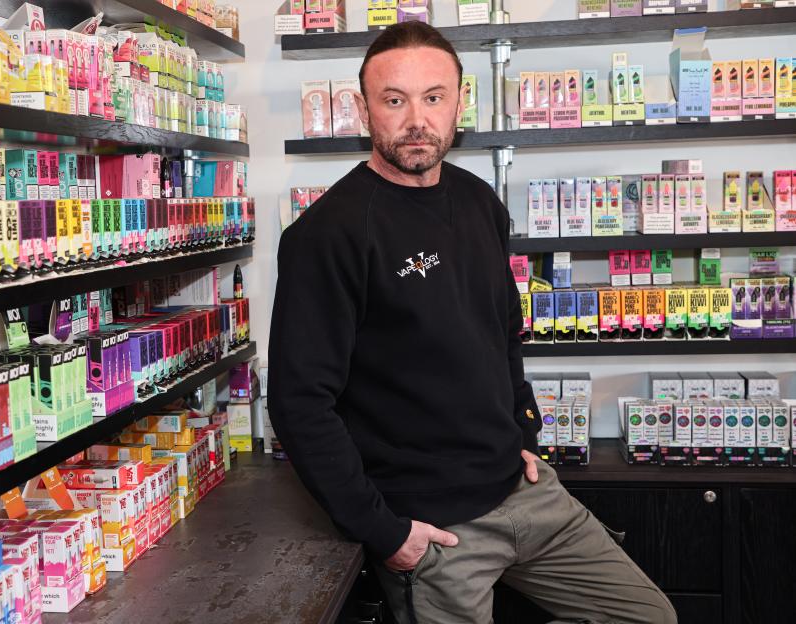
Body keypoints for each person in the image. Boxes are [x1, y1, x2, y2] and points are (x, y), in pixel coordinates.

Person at [267, 21, 677, 624]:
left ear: (460, 102)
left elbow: (501, 334)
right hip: (432, 528)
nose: (416, 119)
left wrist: (524, 433)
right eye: (394, 99)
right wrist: (383, 530)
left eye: (434, 97)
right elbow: (300, 403)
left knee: (648, 616)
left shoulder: (480, 201)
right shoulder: (326, 235)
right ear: (362, 110)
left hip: (525, 490)